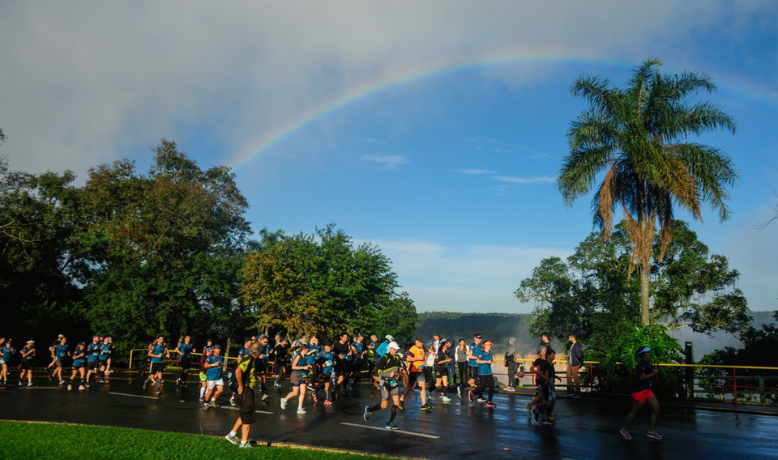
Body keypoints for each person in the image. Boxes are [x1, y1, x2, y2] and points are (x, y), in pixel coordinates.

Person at [620, 347, 662, 441]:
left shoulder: (646, 364)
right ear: (643, 355)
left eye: (650, 352)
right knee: (635, 411)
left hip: (647, 390)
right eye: (648, 352)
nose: (650, 354)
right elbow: (641, 378)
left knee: (657, 409)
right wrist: (653, 373)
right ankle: (625, 430)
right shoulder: (642, 365)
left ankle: (652, 432)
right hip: (640, 391)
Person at [225, 343, 261, 449]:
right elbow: (238, 371)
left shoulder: (247, 357)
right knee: (248, 415)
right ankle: (243, 443)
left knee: (243, 413)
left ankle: (231, 435)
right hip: (246, 391)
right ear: (257, 352)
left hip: (246, 390)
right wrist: (241, 385)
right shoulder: (249, 358)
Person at [363, 341, 404, 430]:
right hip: (385, 383)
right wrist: (388, 375)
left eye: (397, 350)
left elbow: (399, 366)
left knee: (397, 402)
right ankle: (370, 410)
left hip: (394, 383)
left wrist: (402, 370)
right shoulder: (385, 358)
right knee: (384, 405)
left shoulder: (397, 357)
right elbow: (378, 371)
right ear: (390, 348)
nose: (396, 351)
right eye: (395, 349)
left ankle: (390, 422)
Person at [400, 336, 431, 412]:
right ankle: (401, 399)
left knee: (423, 385)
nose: (422, 343)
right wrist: (418, 358)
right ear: (416, 342)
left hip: (420, 370)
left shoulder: (422, 348)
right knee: (409, 386)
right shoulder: (412, 349)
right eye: (420, 342)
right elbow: (408, 358)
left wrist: (424, 358)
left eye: (422, 342)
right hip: (413, 370)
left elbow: (422, 357)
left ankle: (424, 404)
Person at [281, 340, 312, 414]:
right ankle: (284, 400)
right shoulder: (298, 356)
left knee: (303, 392)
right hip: (296, 374)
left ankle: (299, 408)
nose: (308, 350)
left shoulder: (306, 356)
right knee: (295, 393)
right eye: (307, 349)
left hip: (303, 375)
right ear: (304, 349)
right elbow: (293, 366)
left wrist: (308, 367)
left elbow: (304, 365)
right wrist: (303, 367)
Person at [534, 348, 560, 425]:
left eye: (554, 355)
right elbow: (541, 373)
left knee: (553, 400)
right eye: (552, 355)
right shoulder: (545, 363)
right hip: (545, 384)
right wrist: (549, 380)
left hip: (551, 385)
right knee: (548, 402)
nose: (554, 357)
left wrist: (556, 377)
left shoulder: (551, 364)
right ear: (548, 356)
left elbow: (551, 373)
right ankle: (542, 416)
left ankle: (547, 415)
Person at [471, 340, 497, 408]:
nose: (490, 346)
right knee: (483, 387)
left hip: (489, 372)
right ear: (484, 346)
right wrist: (486, 361)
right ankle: (473, 392)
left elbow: (490, 361)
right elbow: (477, 361)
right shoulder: (482, 353)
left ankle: (489, 401)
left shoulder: (490, 353)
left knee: (492, 386)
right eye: (489, 345)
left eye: (490, 345)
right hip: (482, 373)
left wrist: (492, 361)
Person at [203, 344, 225, 410]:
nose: (219, 350)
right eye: (217, 349)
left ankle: (212, 400)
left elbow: (219, 364)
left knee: (221, 389)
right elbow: (205, 365)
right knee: (210, 391)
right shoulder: (210, 357)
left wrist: (222, 364)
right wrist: (213, 364)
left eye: (219, 349)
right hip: (211, 376)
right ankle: (206, 404)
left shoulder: (221, 356)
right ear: (214, 349)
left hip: (219, 376)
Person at [332, 333, 352, 398]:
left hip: (344, 363)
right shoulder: (336, 344)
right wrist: (338, 356)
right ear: (341, 337)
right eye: (345, 337)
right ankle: (333, 389)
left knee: (341, 379)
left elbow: (345, 354)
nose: (346, 339)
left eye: (347, 338)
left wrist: (348, 354)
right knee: (340, 379)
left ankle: (336, 392)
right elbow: (332, 353)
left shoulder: (346, 345)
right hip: (337, 363)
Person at [566, 334, 583, 398]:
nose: (568, 338)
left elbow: (579, 354)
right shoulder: (572, 345)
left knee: (575, 378)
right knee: (568, 376)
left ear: (573, 338)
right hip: (571, 363)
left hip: (575, 363)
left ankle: (578, 393)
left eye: (569, 337)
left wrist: (579, 361)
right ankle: (572, 391)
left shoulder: (577, 345)